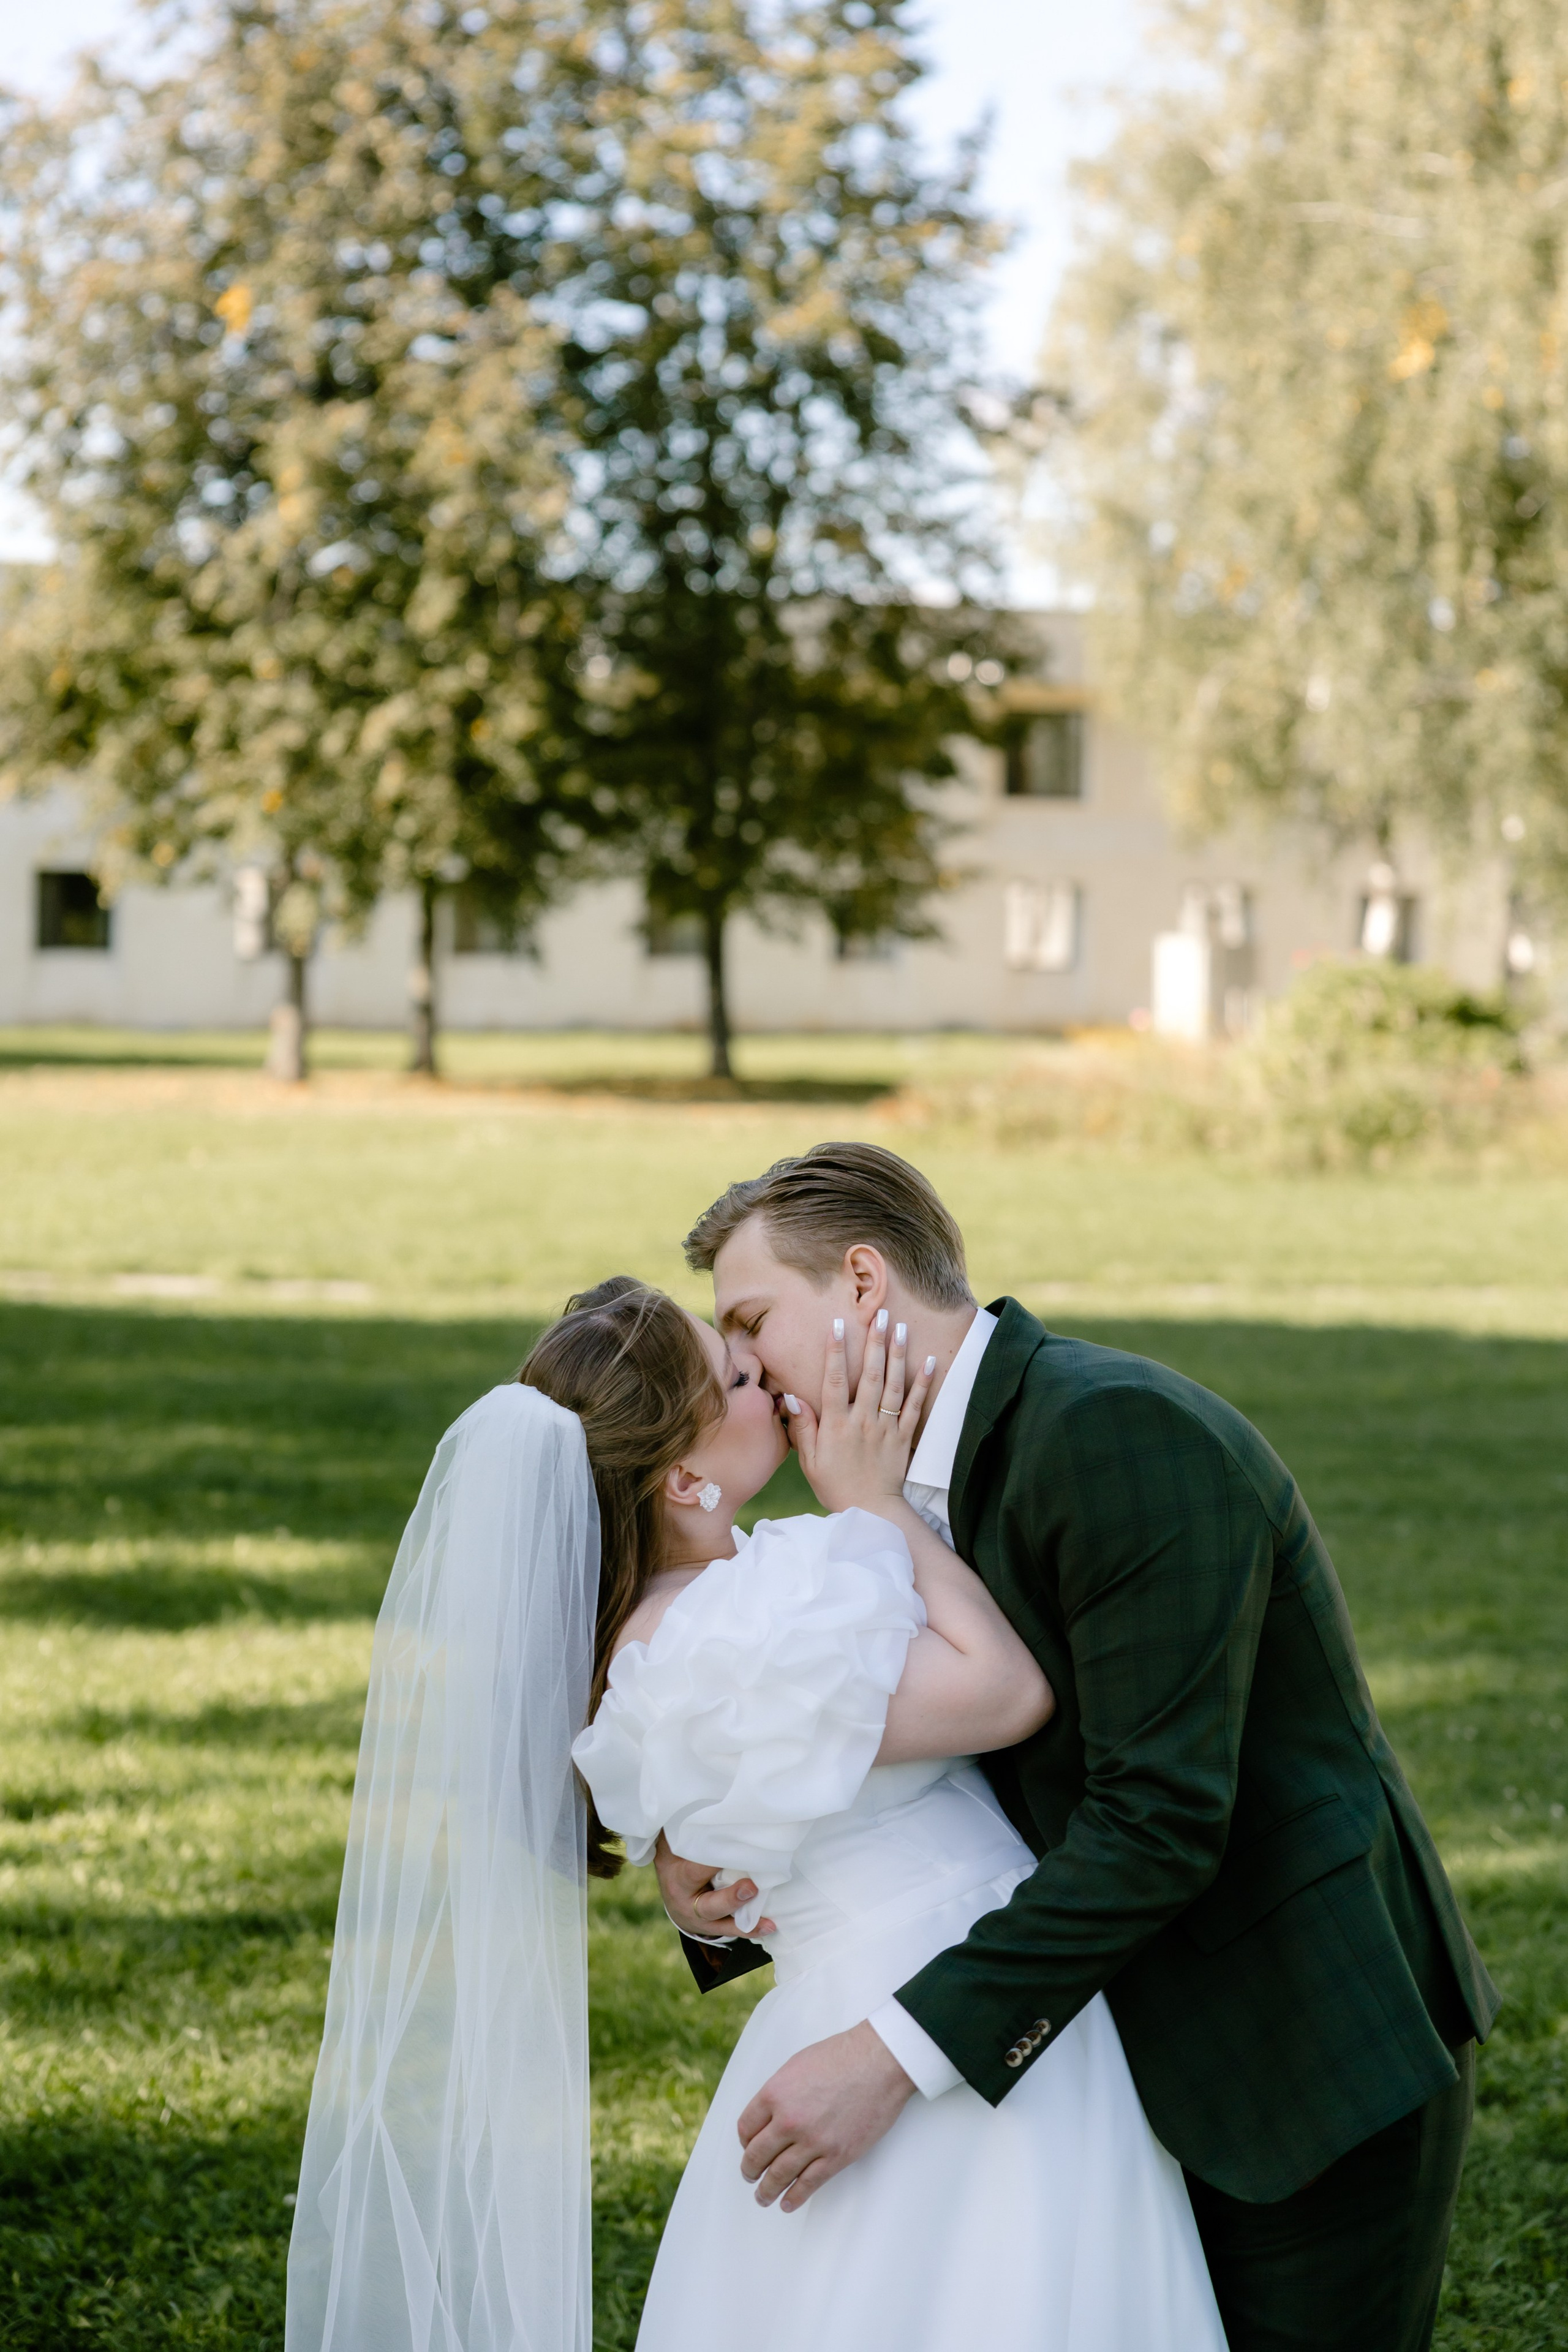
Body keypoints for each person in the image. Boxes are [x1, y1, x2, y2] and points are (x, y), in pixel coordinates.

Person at [660, 1139, 1499, 2352]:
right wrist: (707, 1878)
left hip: (1288, 2056)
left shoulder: (1115, 1438)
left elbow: (1155, 1825)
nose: (744, 1372)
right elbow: (894, 1764)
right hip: (1099, 2068)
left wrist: (892, 2054)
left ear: (858, 1283)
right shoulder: (875, 1487)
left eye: (752, 1325)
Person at [286, 1275, 1227, 2351]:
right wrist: (870, 1501)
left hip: (890, 1985)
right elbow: (1005, 1695)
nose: (765, 1379)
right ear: (685, 1477)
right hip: (934, 1992)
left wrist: (690, 1879)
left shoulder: (697, 1613)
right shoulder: (745, 1621)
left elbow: (759, 1815)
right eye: (736, 1376)